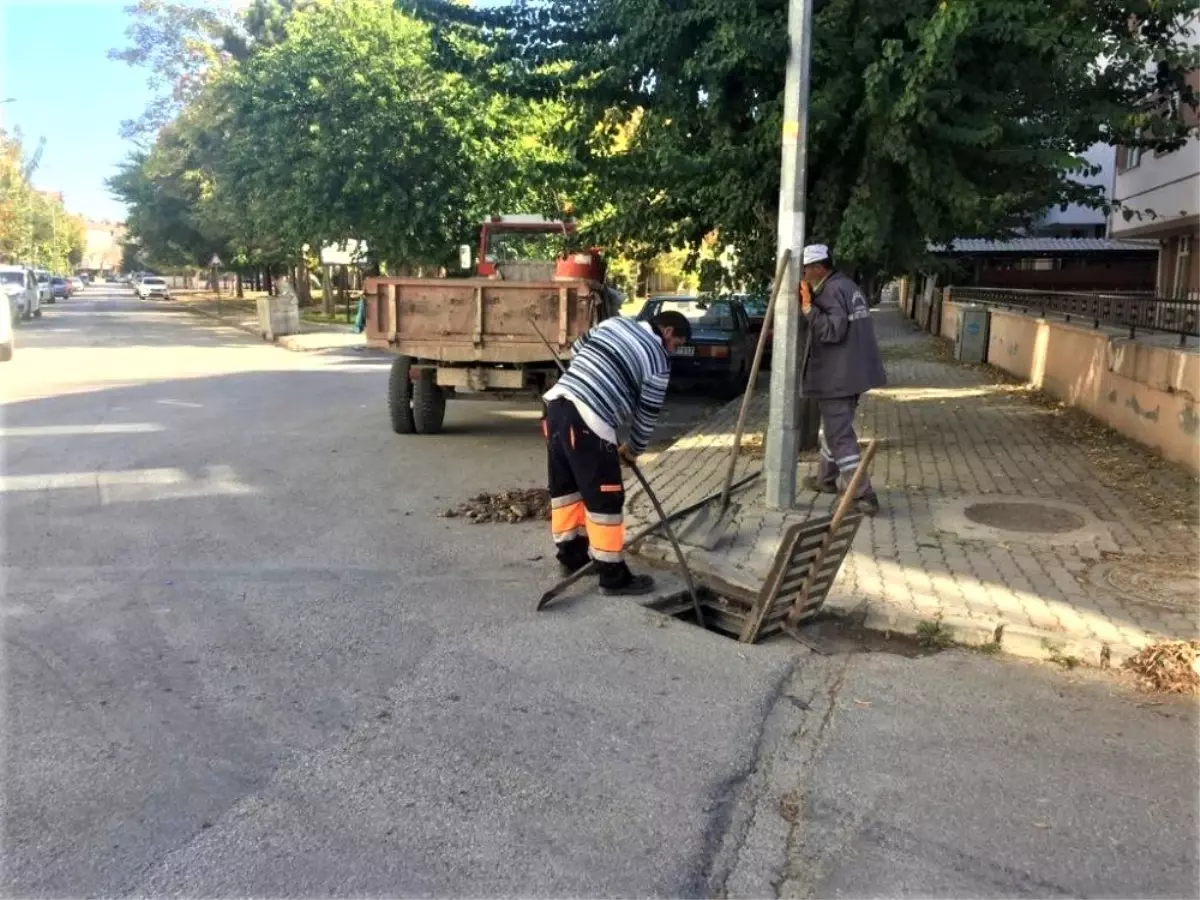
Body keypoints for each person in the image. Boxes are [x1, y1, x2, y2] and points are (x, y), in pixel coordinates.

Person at [542, 310, 692, 595]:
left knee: (566, 491)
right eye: (676, 344)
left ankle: (571, 557)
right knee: (605, 499)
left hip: (556, 408)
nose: (673, 351)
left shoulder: (614, 323)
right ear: (669, 332)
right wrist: (632, 451)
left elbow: (577, 348)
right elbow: (647, 416)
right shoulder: (658, 361)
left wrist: (592, 374)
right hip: (589, 421)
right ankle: (612, 576)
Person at [799, 244, 886, 515]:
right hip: (854, 371)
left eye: (805, 269)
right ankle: (825, 480)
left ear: (818, 268)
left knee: (839, 434)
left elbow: (833, 331)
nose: (802, 275)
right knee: (835, 426)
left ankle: (862, 495)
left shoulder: (832, 290)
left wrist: (808, 309)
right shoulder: (846, 285)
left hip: (839, 375)